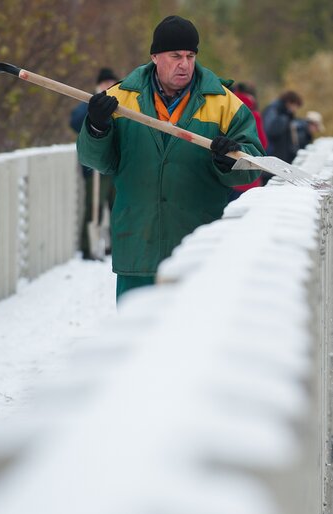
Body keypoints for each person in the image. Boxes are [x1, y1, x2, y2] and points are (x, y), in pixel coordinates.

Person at [76, 15, 264, 301]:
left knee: (193, 339)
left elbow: (253, 165)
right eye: (175, 56)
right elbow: (96, 160)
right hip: (138, 249)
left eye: (190, 56)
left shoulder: (224, 103)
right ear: (154, 57)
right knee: (134, 340)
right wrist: (96, 127)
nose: (184, 64)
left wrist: (231, 160)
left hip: (198, 250)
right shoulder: (121, 100)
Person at [70, 68, 119, 260]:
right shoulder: (88, 102)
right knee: (94, 206)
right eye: (104, 83)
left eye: (111, 82)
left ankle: (116, 244)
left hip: (115, 166)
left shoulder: (121, 102)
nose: (107, 86)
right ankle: (87, 245)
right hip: (94, 169)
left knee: (118, 206)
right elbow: (75, 123)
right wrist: (94, 109)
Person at [228, 82, 268, 199]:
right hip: (249, 174)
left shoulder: (228, 108)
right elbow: (263, 143)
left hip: (227, 175)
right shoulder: (254, 113)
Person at [262, 90, 303, 164]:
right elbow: (270, 130)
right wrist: (285, 118)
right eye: (295, 106)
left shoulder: (284, 113)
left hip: (279, 154)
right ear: (289, 102)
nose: (295, 110)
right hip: (271, 153)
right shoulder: (274, 109)